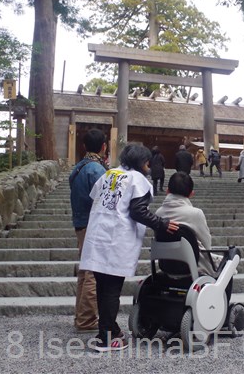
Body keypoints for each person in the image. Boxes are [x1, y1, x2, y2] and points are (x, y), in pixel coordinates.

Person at [80, 143, 179, 352]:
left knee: (102, 287)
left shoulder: (109, 174)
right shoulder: (138, 180)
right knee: (112, 290)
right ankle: (106, 338)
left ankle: (109, 329)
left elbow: (94, 199)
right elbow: (138, 211)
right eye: (147, 163)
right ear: (144, 162)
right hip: (116, 239)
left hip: (98, 236)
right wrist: (162, 224)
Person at [69, 128, 108, 333]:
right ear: (104, 146)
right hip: (93, 224)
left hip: (80, 223)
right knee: (93, 272)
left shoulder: (78, 168)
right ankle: (87, 319)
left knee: (85, 273)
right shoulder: (97, 170)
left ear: (84, 146)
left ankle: (82, 317)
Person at [155, 172, 217, 277]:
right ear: (191, 194)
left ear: (167, 191)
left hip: (166, 264)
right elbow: (207, 244)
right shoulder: (195, 214)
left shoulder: (158, 214)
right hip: (191, 265)